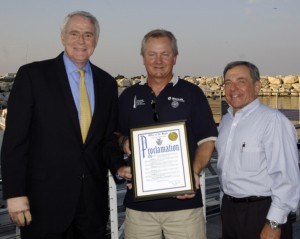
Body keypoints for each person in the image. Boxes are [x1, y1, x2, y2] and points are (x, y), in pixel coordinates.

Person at [1, 11, 126, 239]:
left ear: (96, 41)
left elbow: (106, 140)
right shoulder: (33, 76)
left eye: (88, 35)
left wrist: (119, 167)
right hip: (43, 205)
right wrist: (15, 195)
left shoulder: (107, 83)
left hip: (92, 208)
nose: (81, 41)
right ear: (62, 37)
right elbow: (15, 141)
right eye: (74, 33)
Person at [116, 29, 218, 239]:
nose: (158, 60)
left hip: (185, 207)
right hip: (139, 209)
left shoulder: (192, 93)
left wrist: (194, 172)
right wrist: (124, 141)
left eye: (165, 54)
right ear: (143, 57)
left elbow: (207, 140)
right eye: (152, 54)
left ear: (175, 57)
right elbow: (115, 134)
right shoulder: (128, 95)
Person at [216, 61, 300, 239]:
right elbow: (225, 172)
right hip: (230, 211)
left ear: (257, 86)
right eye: (228, 83)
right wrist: (224, 208)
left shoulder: (273, 121)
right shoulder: (225, 123)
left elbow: (287, 178)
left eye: (241, 81)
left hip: (262, 212)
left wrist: (274, 223)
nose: (233, 88)